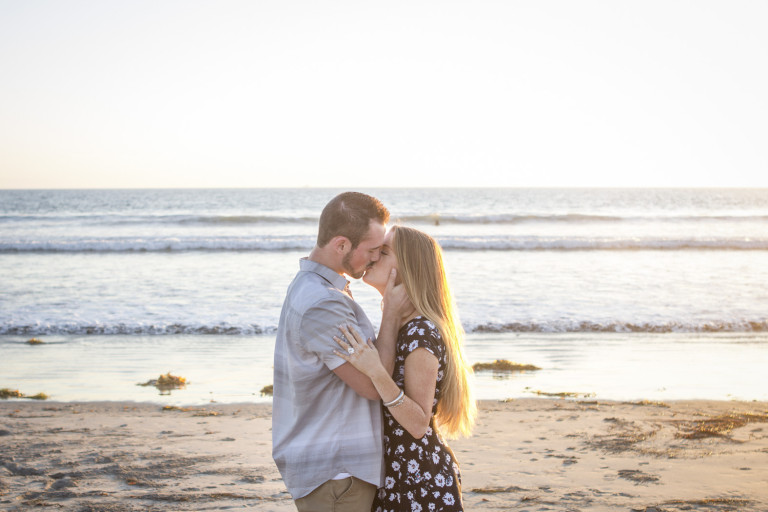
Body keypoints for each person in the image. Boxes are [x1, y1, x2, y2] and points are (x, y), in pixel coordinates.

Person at [272, 191, 411, 511]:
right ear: (341, 245)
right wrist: (390, 313)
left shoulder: (312, 286)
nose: (376, 258)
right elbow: (372, 386)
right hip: (338, 471)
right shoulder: (324, 302)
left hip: (329, 466)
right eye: (372, 250)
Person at [333, 225, 477, 512]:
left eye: (383, 252)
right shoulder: (402, 326)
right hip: (398, 475)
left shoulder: (420, 333)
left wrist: (376, 372)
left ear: (407, 269)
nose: (372, 258)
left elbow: (418, 422)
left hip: (419, 480)